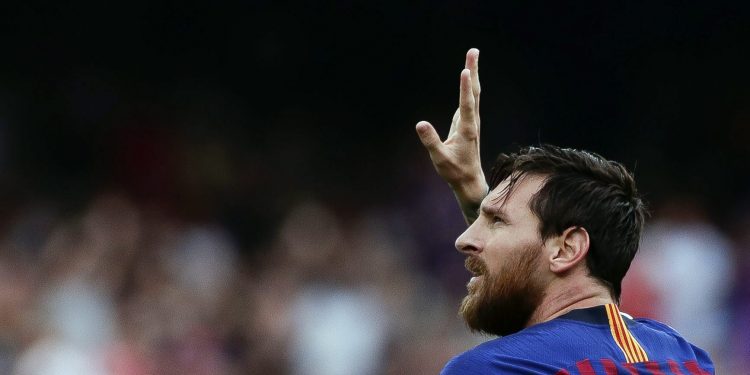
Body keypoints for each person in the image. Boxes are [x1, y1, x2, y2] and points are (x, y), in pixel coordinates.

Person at [415, 48, 715, 374]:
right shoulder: (686, 359)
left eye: (497, 221)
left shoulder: (490, 368)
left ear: (568, 247)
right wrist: (475, 196)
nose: (463, 240)